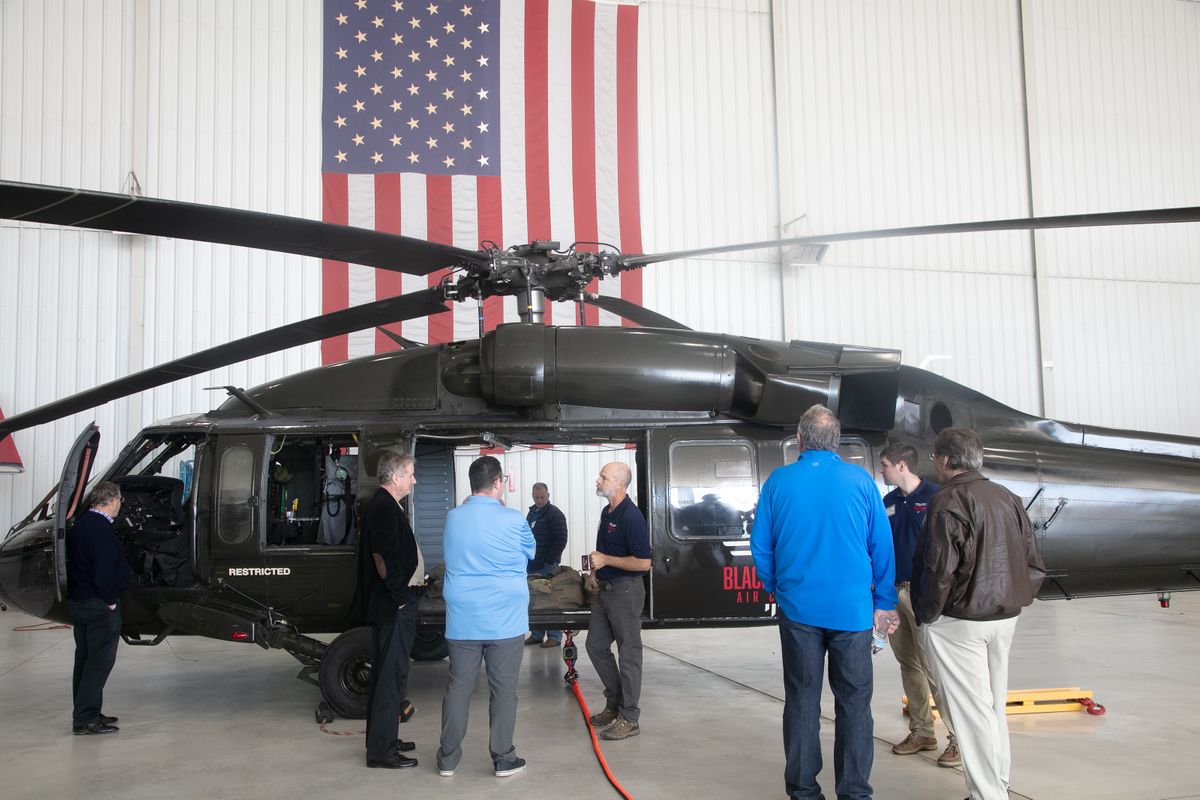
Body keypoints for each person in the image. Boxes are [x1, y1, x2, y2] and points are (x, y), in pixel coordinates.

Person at [750, 405, 898, 800]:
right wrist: (884, 601)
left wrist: (777, 587)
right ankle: (854, 792)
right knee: (854, 704)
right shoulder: (861, 482)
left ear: (799, 440)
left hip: (799, 610)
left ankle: (803, 790)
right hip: (852, 613)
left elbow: (761, 547)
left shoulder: (778, 483)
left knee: (801, 700)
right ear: (836, 442)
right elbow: (882, 547)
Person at [913, 427, 1045, 800]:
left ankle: (990, 795)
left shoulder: (948, 500)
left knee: (972, 716)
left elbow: (939, 569)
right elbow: (1034, 562)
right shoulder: (1007, 496)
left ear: (944, 459)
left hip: (961, 622)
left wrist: (927, 614)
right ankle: (997, 783)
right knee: (992, 708)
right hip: (1004, 617)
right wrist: (1015, 599)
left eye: (935, 457)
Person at [436, 456, 536, 778]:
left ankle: (448, 759)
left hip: (463, 617)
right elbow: (530, 551)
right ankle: (503, 758)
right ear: (498, 483)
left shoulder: (453, 517)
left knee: (459, 687)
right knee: (504, 690)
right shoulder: (514, 518)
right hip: (504, 618)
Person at [879, 443, 959, 768]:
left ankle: (958, 739)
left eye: (884, 465)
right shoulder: (889, 502)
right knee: (908, 663)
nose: (881, 471)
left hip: (923, 595)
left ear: (901, 465)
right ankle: (923, 731)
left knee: (933, 667)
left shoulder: (937, 497)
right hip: (895, 592)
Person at [361, 451, 423, 769]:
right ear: (396, 476)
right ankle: (381, 752)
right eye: (410, 474)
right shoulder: (384, 507)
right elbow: (383, 557)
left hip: (395, 604)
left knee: (393, 675)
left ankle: (387, 737)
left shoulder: (387, 505)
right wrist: (400, 597)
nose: (413, 480)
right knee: (388, 678)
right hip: (392, 606)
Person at [585, 462, 652, 741]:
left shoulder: (631, 517)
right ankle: (614, 704)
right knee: (595, 645)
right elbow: (603, 551)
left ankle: (630, 717)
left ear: (620, 484)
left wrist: (606, 561)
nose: (598, 480)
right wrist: (594, 572)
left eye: (604, 476)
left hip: (626, 592)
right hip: (605, 589)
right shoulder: (607, 511)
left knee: (629, 654)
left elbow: (644, 563)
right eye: (600, 475)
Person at [67, 481, 130, 735]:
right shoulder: (102, 531)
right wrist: (110, 600)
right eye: (120, 502)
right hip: (98, 605)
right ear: (113, 500)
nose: (119, 507)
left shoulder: (81, 525)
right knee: (99, 663)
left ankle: (86, 711)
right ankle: (86, 719)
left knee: (83, 660)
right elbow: (103, 571)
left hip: (79, 602)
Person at [525, 482, 568, 648]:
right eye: (536, 497)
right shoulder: (531, 513)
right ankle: (536, 634)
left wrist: (549, 561)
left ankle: (555, 636)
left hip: (547, 565)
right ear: (532, 496)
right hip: (532, 564)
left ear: (548, 495)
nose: (539, 500)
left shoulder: (555, 514)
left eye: (542, 497)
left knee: (549, 601)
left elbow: (561, 540)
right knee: (535, 600)